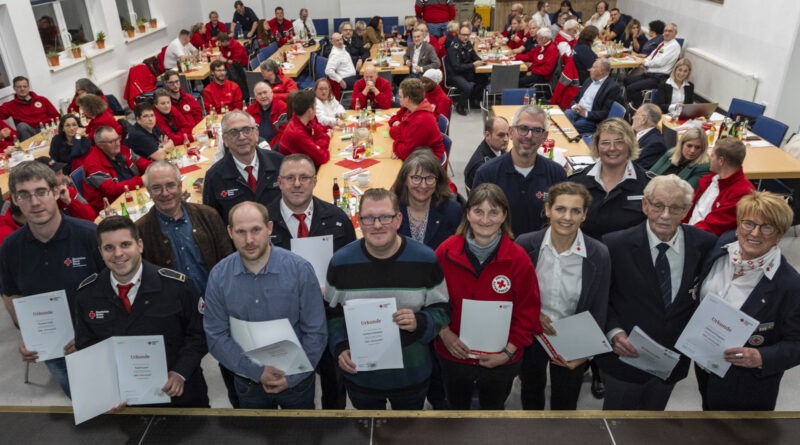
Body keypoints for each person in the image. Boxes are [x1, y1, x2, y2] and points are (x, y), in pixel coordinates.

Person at [598, 175, 717, 410]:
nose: (665, 215)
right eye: (658, 205)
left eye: (675, 208)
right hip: (624, 360)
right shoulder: (614, 245)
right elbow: (601, 298)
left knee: (654, 425)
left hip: (671, 362)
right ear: (645, 205)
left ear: (686, 210)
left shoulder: (705, 244)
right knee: (619, 426)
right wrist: (613, 332)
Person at [324, 188, 450, 410]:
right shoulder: (340, 263)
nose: (377, 225)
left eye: (385, 217)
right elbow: (332, 314)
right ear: (359, 221)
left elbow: (442, 310)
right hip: (361, 377)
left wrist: (420, 322)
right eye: (369, 218)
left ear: (398, 219)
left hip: (411, 376)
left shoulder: (425, 259)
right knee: (367, 433)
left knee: (408, 434)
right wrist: (340, 346)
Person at [74, 216, 209, 407]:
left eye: (125, 244)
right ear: (100, 252)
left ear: (140, 245)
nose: (118, 254)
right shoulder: (86, 295)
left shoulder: (177, 287)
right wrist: (107, 387)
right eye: (109, 248)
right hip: (126, 400)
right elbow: (87, 345)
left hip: (181, 393)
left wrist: (180, 372)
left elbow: (199, 333)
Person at [205, 201, 327, 409]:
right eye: (241, 232)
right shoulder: (218, 276)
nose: (249, 240)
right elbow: (215, 335)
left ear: (269, 228)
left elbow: (316, 331)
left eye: (256, 230)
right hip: (248, 381)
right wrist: (256, 371)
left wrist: (294, 376)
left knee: (302, 436)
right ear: (229, 232)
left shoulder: (300, 270)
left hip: (296, 381)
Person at [0, 161, 104, 398]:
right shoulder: (10, 247)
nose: (34, 202)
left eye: (41, 192)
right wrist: (27, 332)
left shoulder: (89, 235)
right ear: (14, 201)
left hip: (100, 339)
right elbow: (12, 293)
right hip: (54, 350)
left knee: (120, 404)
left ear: (56, 191)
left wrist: (90, 333)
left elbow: (115, 288)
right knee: (81, 398)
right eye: (24, 195)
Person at [435, 183, 540, 409]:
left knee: (493, 411)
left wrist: (508, 352)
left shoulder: (519, 259)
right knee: (457, 409)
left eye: (494, 212)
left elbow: (528, 311)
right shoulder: (445, 252)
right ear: (467, 214)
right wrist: (444, 333)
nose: (485, 220)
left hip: (501, 358)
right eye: (478, 211)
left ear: (504, 216)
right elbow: (430, 301)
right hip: (454, 354)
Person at [696, 191, 800, 411]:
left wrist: (761, 356)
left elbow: (797, 343)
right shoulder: (722, 248)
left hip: (747, 384)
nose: (755, 233)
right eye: (749, 223)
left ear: (780, 234)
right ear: (738, 225)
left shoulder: (789, 285)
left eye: (767, 227)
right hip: (704, 365)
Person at [266, 154, 355, 409]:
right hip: (282, 320)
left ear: (315, 181)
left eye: (304, 178)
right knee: (287, 387)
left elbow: (351, 272)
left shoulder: (337, 219)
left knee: (334, 382)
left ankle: (333, 428)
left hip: (329, 317)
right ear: (279, 182)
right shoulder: (263, 222)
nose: (297, 184)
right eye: (290, 178)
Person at [516, 181, 611, 410]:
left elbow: (600, 305)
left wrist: (586, 352)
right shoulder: (526, 245)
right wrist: (533, 316)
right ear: (548, 209)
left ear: (584, 215)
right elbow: (515, 294)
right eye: (560, 209)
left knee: (566, 397)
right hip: (533, 332)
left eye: (575, 210)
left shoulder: (598, 253)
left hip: (573, 334)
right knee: (531, 387)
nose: (567, 217)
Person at [473, 105, 567, 236]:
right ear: (511, 132)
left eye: (537, 130)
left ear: (544, 136)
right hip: (501, 252)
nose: (529, 136)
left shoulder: (557, 174)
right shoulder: (486, 174)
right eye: (523, 128)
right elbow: (477, 223)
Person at [569, 118, 651, 240]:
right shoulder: (576, 182)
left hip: (627, 256)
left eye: (619, 142)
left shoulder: (649, 185)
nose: (612, 148)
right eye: (605, 143)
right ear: (597, 147)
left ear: (630, 145)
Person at [202, 110, 283, 224]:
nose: (241, 137)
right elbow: (212, 224)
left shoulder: (279, 163)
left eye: (246, 130)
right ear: (225, 140)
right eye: (234, 132)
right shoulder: (214, 177)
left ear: (256, 134)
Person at [685, 137, 755, 236]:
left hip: (699, 240)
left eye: (712, 155)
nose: (710, 158)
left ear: (721, 160)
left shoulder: (742, 193)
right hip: (687, 230)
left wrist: (680, 233)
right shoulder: (709, 180)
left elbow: (712, 227)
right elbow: (688, 210)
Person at [394, 149, 462, 250]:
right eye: (416, 178)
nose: (423, 185)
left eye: (429, 178)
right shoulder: (391, 209)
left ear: (437, 180)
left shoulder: (452, 211)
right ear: (405, 180)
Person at [83, 126, 151, 211]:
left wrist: (156, 169)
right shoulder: (93, 164)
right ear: (100, 145)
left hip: (132, 193)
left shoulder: (122, 150)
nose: (118, 143)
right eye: (112, 141)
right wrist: (141, 180)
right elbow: (112, 189)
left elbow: (143, 163)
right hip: (112, 207)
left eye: (118, 138)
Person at [624, 23, 681, 107]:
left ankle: (637, 108)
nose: (667, 33)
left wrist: (646, 63)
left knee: (631, 88)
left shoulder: (674, 46)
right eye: (665, 31)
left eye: (670, 31)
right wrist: (644, 62)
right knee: (626, 80)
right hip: (650, 74)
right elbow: (651, 56)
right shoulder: (663, 43)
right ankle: (633, 102)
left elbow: (660, 62)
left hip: (659, 78)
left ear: (675, 33)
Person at [389, 78, 445, 161]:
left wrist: (396, 145)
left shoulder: (421, 120)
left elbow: (407, 153)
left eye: (400, 96)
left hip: (428, 164)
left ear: (407, 98)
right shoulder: (411, 110)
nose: (398, 98)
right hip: (419, 156)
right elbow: (396, 131)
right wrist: (400, 142)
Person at [565, 58, 620, 135]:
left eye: (594, 67)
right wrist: (575, 105)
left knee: (571, 127)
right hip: (576, 111)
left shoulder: (612, 88)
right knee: (564, 118)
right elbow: (576, 98)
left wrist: (585, 113)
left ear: (601, 72)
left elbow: (605, 113)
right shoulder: (589, 80)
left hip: (591, 119)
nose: (590, 69)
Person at [35, 156, 97, 221]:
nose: (64, 178)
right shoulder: (37, 204)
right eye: (58, 174)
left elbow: (91, 216)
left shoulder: (67, 191)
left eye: (62, 173)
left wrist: (69, 201)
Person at [279, 90, 331, 168]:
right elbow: (322, 157)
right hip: (295, 173)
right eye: (315, 106)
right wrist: (319, 147)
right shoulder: (296, 133)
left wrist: (317, 146)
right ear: (310, 111)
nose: (316, 110)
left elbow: (323, 136)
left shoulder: (307, 120)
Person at [445, 26, 488, 116]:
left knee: (484, 78)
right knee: (467, 87)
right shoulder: (454, 47)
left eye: (468, 35)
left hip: (465, 71)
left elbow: (473, 55)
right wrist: (473, 65)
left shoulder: (467, 43)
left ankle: (473, 100)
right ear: (459, 34)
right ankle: (460, 106)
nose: (466, 37)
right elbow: (456, 67)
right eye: (464, 35)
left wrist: (481, 61)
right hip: (454, 75)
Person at [464, 116, 510, 190]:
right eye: (501, 135)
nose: (506, 139)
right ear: (487, 135)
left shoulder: (498, 148)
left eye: (508, 134)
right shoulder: (481, 166)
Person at [632, 104, 667, 170]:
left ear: (643, 119)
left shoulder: (656, 144)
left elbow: (639, 170)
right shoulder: (638, 134)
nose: (633, 117)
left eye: (635, 114)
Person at [325, 33, 358, 101]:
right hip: (345, 80)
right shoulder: (335, 54)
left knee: (368, 78)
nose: (340, 42)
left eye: (341, 39)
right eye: (337, 40)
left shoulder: (342, 48)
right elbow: (328, 71)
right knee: (366, 83)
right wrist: (340, 80)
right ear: (332, 42)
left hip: (352, 77)